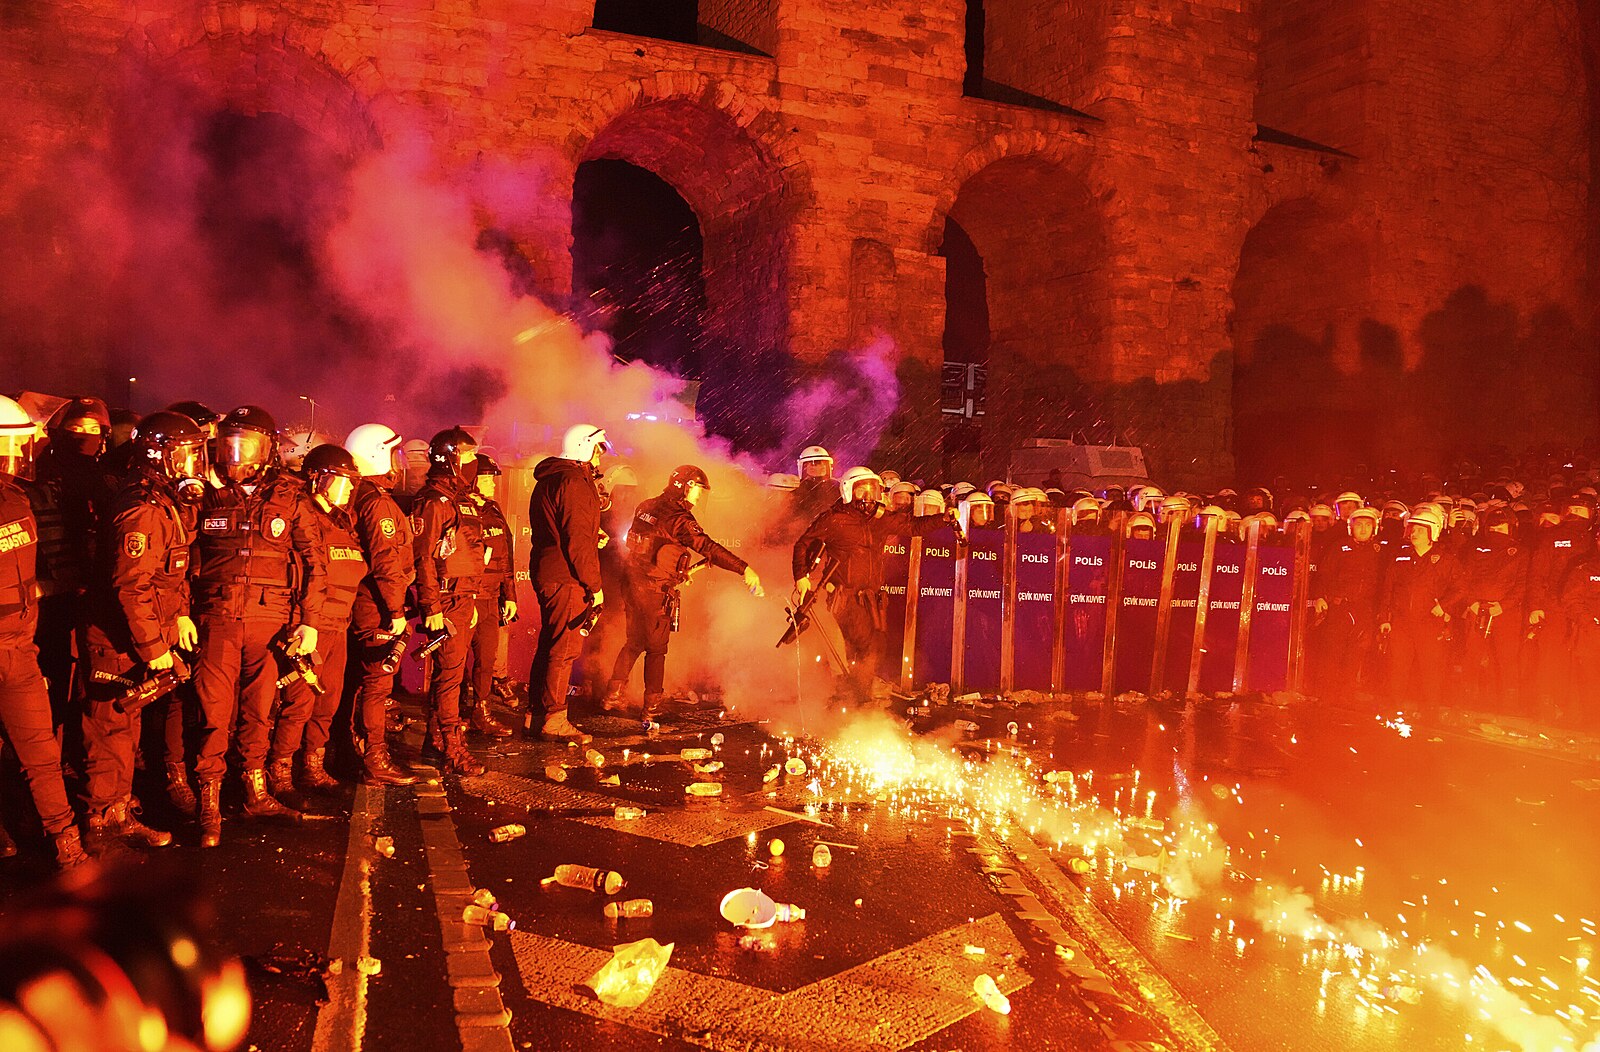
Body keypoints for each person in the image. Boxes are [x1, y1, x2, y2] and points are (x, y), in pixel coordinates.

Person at [189, 406, 326, 846]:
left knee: (259, 712)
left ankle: (254, 793)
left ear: (268, 449)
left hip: (270, 623)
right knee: (213, 714)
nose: (236, 456)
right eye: (229, 444)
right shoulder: (203, 494)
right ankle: (208, 806)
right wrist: (176, 613)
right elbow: (179, 558)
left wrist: (310, 622)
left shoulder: (290, 495)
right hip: (217, 619)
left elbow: (315, 563)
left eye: (246, 446)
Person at [79, 410, 207, 852]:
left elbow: (168, 577)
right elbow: (131, 587)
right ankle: (102, 823)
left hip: (134, 636)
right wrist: (154, 646)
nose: (195, 466)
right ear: (160, 456)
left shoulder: (162, 502)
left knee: (124, 730)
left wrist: (180, 617)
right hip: (119, 639)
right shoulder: (142, 509)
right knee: (110, 729)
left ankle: (117, 810)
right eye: (187, 456)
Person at [0, 395, 88, 867]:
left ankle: (68, 849)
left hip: (18, 649)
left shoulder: (17, 499)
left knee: (41, 754)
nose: (17, 456)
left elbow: (27, 576)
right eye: (8, 446)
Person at [602, 465, 762, 722]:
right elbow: (707, 546)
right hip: (655, 592)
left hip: (632, 585)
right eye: (698, 489)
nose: (699, 496)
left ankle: (612, 695)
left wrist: (677, 571)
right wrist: (744, 569)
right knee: (656, 650)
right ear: (685, 486)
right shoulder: (680, 518)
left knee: (633, 642)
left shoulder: (646, 506)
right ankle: (650, 709)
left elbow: (648, 548)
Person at [791, 466, 946, 706]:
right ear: (848, 491)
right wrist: (801, 576)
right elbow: (803, 544)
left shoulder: (880, 519)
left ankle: (847, 698)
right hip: (844, 596)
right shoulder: (834, 519)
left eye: (871, 490)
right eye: (861, 490)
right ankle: (858, 700)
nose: (867, 497)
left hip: (872, 598)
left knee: (868, 648)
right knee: (868, 646)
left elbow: (913, 527)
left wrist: (943, 519)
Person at [267, 445, 366, 800]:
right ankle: (279, 772)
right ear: (320, 480)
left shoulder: (344, 521)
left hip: (339, 622)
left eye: (352, 483)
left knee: (329, 700)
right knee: (299, 701)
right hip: (311, 624)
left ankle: (312, 765)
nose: (349, 489)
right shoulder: (304, 517)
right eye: (342, 481)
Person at [410, 426, 489, 775]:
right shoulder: (433, 501)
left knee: (449, 674)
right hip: (446, 596)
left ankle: (435, 742)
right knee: (450, 677)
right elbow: (423, 557)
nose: (474, 463)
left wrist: (470, 596)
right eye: (469, 457)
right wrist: (432, 607)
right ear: (452, 459)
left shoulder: (463, 500)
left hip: (463, 595)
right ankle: (453, 750)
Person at [342, 423, 418, 786]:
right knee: (376, 684)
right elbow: (387, 561)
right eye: (392, 453)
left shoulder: (355, 495)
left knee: (358, 682)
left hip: (360, 601)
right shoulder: (378, 504)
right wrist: (396, 611)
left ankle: (351, 751)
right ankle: (374, 759)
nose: (398, 462)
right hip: (375, 606)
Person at [526, 424, 609, 744]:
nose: (601, 454)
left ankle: (536, 715)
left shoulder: (552, 477)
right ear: (583, 447)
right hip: (566, 577)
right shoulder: (574, 481)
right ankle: (554, 719)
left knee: (550, 644)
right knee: (564, 649)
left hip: (549, 570)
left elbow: (562, 527)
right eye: (598, 448)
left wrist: (592, 534)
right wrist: (595, 585)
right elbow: (575, 541)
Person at [1379, 505, 1463, 715]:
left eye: (1418, 529)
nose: (1413, 533)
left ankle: (1432, 712)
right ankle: (1395, 710)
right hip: (1401, 623)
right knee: (1398, 668)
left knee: (1431, 670)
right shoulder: (1400, 557)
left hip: (1429, 624)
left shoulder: (1445, 560)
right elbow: (1387, 590)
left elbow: (1461, 588)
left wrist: (1443, 606)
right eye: (1412, 529)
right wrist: (1384, 618)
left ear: (1431, 532)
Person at [464, 453, 514, 738]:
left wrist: (510, 595)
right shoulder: (463, 509)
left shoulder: (494, 510)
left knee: (486, 659)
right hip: (465, 598)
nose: (493, 485)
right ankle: (454, 713)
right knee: (455, 663)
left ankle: (481, 711)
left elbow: (506, 555)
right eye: (487, 479)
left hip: (491, 598)